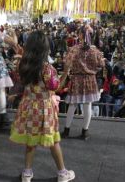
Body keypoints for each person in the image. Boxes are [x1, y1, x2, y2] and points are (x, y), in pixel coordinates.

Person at [10, 31, 75, 182]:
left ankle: (27, 173)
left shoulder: (22, 64)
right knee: (53, 140)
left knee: (31, 141)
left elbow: (20, 81)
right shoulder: (47, 68)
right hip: (44, 108)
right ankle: (62, 174)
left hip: (28, 106)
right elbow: (55, 86)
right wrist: (66, 72)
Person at [61, 25, 105, 140]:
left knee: (72, 105)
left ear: (80, 35)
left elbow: (67, 63)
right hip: (90, 79)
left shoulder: (74, 49)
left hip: (76, 79)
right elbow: (101, 65)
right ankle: (85, 132)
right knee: (87, 105)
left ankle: (66, 131)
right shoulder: (95, 50)